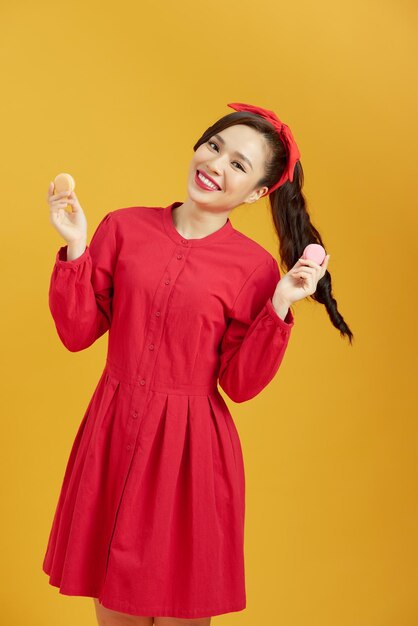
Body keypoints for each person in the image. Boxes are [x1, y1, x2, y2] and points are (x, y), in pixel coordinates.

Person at [42, 102, 353, 626]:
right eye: (214, 147)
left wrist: (278, 303)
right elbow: (76, 334)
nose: (217, 165)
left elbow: (240, 384)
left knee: (181, 611)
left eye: (239, 164)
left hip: (190, 457)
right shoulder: (123, 228)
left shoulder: (253, 268)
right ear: (197, 147)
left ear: (257, 192)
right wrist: (76, 246)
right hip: (113, 436)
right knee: (113, 609)